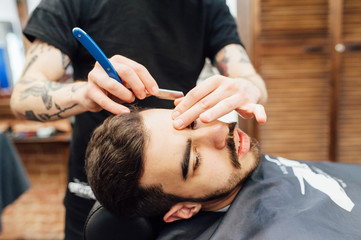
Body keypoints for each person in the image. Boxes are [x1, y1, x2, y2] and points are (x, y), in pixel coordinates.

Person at [10, 0, 267, 238]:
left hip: (185, 196)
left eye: (194, 121)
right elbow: (22, 96)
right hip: (96, 198)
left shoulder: (206, 5)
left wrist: (245, 86)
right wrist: (86, 93)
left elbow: (248, 77)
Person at [85, 108, 361, 239]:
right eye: (195, 159)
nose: (220, 130)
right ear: (184, 210)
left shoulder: (237, 168)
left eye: (192, 121)